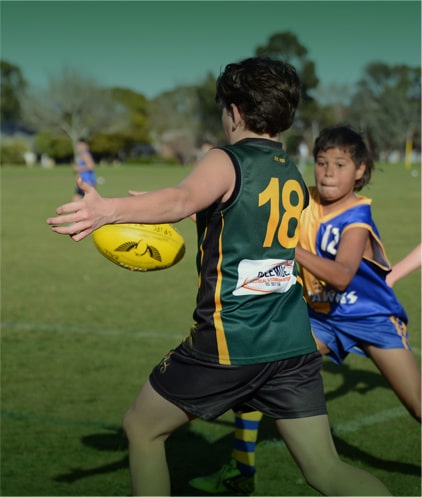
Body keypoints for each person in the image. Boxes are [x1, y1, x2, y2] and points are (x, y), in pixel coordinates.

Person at [46, 59, 390, 496]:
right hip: (291, 342)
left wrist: (107, 210)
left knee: (142, 428)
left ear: (235, 111)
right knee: (325, 470)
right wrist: (159, 203)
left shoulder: (227, 158)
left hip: (231, 341)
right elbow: (210, 204)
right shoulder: (289, 169)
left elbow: (186, 197)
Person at [188, 124, 421, 495]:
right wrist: (198, 208)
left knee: (417, 404)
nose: (328, 171)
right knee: (257, 369)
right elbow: (252, 213)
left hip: (371, 317)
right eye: (322, 162)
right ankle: (240, 472)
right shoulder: (302, 199)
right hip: (322, 318)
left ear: (360, 171)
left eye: (340, 164)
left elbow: (343, 275)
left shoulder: (357, 216)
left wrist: (290, 249)